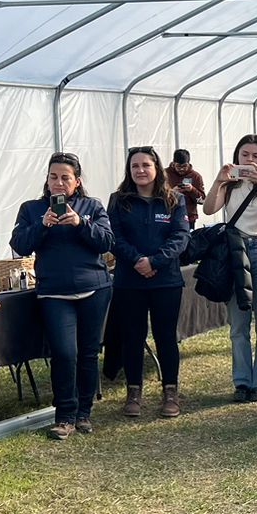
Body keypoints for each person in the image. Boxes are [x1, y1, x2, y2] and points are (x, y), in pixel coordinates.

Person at [11, 153, 115, 439]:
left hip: (94, 288)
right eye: (53, 176)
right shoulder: (32, 209)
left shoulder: (91, 206)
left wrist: (81, 223)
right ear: (46, 179)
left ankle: (84, 413)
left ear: (77, 182)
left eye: (65, 177)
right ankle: (64, 415)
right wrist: (42, 225)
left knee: (88, 353)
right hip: (54, 293)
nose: (58, 183)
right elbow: (19, 245)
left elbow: (107, 242)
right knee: (64, 353)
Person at [107, 146, 191, 419]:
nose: (141, 170)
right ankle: (134, 391)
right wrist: (137, 261)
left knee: (166, 336)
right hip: (129, 282)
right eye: (135, 166)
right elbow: (114, 238)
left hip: (165, 280)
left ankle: (170, 391)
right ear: (129, 171)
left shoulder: (173, 199)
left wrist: (154, 261)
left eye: (146, 165)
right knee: (132, 336)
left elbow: (181, 236)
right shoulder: (118, 200)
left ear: (157, 168)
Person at [203, 135, 257, 401]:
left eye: (256, 155)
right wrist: (218, 180)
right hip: (235, 254)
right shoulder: (230, 186)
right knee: (238, 324)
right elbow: (208, 208)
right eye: (245, 155)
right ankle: (241, 381)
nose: (250, 160)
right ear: (237, 157)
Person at [165, 149, 206, 227]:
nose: (181, 169)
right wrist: (172, 192)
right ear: (173, 163)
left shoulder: (196, 176)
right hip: (167, 216)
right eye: (178, 166)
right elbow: (156, 195)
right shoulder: (164, 174)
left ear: (189, 164)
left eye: (184, 166)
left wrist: (192, 190)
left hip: (188, 217)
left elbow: (202, 200)